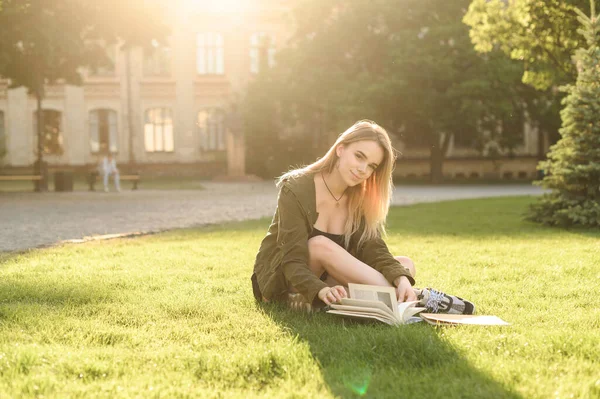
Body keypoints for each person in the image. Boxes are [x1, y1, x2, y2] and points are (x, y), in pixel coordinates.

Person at [251, 120, 474, 314]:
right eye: (359, 156)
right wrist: (318, 288)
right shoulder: (296, 188)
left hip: (329, 283)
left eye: (371, 166)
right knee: (319, 245)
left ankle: (350, 299)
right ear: (340, 149)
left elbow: (372, 247)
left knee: (404, 266)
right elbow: (292, 261)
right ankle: (417, 298)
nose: (362, 170)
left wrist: (401, 279)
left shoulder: (359, 195)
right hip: (285, 283)